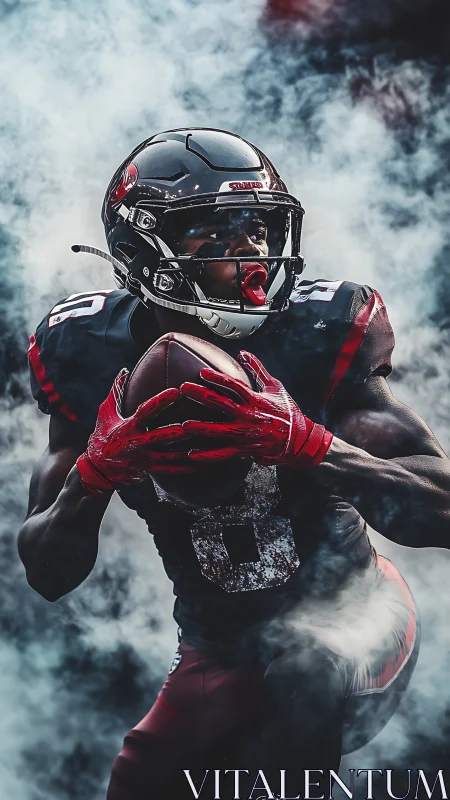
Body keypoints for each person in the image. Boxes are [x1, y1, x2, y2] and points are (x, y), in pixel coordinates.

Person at [18, 128, 450, 800]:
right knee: (140, 784)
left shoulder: (319, 334)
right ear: (144, 256)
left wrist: (311, 445)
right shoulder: (85, 351)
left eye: (258, 228)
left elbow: (442, 507)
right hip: (217, 647)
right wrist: (93, 475)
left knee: (304, 674)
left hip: (357, 618)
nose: (250, 252)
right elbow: (46, 572)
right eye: (216, 236)